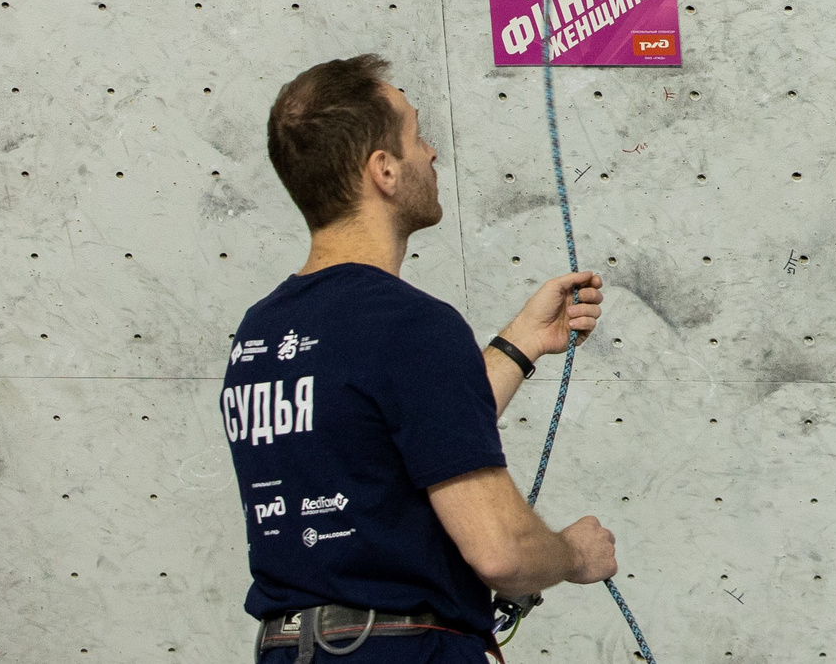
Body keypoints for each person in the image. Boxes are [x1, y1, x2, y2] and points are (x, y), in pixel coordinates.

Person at [223, 54, 618, 659]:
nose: (431, 152)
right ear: (383, 170)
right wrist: (572, 554)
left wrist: (521, 341)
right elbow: (502, 551)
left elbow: (402, 434)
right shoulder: (409, 324)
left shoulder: (262, 333)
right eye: (416, 134)